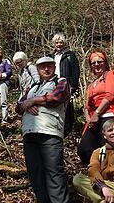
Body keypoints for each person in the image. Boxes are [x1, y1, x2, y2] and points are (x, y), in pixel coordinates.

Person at [15, 56, 70, 203]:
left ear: (54, 67)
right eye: (42, 67)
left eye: (49, 66)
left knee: (54, 175)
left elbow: (56, 98)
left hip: (50, 134)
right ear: (38, 70)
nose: (46, 69)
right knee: (35, 175)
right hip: (29, 134)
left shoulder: (61, 81)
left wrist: (32, 101)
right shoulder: (32, 87)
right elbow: (18, 106)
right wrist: (26, 103)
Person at [78, 51, 114, 164]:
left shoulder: (110, 75)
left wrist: (97, 113)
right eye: (93, 63)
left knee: (108, 147)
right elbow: (87, 104)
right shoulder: (92, 84)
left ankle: (112, 173)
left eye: (99, 62)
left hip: (109, 114)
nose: (96, 64)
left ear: (105, 63)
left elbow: (110, 96)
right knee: (84, 148)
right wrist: (88, 118)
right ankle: (96, 169)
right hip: (94, 119)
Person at [47, 33, 80, 136]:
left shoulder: (70, 55)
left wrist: (73, 86)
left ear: (64, 43)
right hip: (53, 83)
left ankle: (67, 129)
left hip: (66, 84)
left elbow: (75, 71)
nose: (59, 44)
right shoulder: (50, 56)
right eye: (57, 42)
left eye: (61, 42)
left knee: (67, 106)